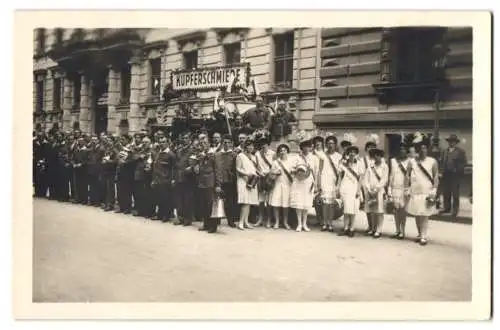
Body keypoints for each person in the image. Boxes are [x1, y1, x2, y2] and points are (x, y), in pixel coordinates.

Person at [406, 133, 439, 246]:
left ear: (427, 149)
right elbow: (407, 176)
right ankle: (419, 233)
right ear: (417, 149)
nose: (422, 150)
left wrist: (434, 190)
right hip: (415, 192)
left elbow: (435, 177)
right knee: (417, 214)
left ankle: (424, 236)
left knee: (424, 214)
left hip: (427, 192)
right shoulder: (412, 162)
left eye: (424, 148)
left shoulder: (432, 161)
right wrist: (407, 188)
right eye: (420, 148)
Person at [290, 133, 320, 232]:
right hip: (298, 181)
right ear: (301, 147)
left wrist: (316, 184)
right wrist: (297, 171)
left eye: (308, 146)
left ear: (310, 147)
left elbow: (316, 172)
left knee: (306, 203)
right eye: (304, 146)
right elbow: (291, 169)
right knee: (299, 203)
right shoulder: (297, 157)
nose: (306, 148)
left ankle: (304, 224)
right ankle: (299, 224)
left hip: (309, 182)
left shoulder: (315, 158)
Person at [191, 138, 221, 233]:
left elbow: (217, 170)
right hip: (202, 183)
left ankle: (213, 225)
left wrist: (218, 184)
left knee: (211, 205)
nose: (203, 145)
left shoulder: (213, 155)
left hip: (210, 183)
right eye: (201, 143)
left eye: (205, 143)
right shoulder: (201, 155)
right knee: (203, 205)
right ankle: (206, 224)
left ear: (209, 144)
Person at [317, 134, 342, 232]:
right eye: (328, 143)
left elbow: (340, 173)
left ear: (335, 145)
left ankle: (330, 224)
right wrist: (318, 183)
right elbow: (319, 170)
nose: (330, 145)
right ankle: (325, 223)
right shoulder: (323, 155)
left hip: (333, 181)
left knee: (331, 204)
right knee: (324, 203)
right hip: (324, 180)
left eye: (332, 143)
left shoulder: (339, 156)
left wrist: (338, 185)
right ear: (326, 145)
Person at [337, 144, 363, 237]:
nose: (352, 154)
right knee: (346, 209)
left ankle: (352, 229)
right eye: (350, 152)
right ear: (347, 153)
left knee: (354, 208)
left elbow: (361, 178)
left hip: (354, 187)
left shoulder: (359, 164)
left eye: (354, 152)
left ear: (356, 154)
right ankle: (345, 228)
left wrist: (358, 190)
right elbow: (340, 176)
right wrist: (338, 187)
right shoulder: (343, 163)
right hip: (345, 187)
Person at [439, 134, 467, 218]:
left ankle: (455, 210)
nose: (451, 143)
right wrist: (441, 172)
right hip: (446, 174)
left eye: (453, 142)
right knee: (446, 192)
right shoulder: (445, 151)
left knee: (455, 193)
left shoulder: (461, 152)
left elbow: (464, 163)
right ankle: (447, 208)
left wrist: (457, 169)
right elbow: (442, 162)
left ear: (456, 143)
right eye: (450, 141)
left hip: (455, 175)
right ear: (448, 142)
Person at [363, 148, 389, 238]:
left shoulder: (385, 166)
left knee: (379, 211)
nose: (376, 157)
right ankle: (373, 228)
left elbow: (384, 179)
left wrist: (376, 189)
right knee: (372, 210)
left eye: (378, 155)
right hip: (370, 191)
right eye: (374, 155)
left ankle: (379, 229)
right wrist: (369, 188)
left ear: (381, 156)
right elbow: (366, 178)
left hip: (379, 191)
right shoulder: (370, 166)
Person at [387, 140, 411, 239]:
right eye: (400, 149)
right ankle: (397, 231)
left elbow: (410, 176)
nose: (402, 151)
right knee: (395, 211)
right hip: (395, 188)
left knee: (402, 211)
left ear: (407, 151)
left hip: (404, 188)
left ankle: (403, 231)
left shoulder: (410, 161)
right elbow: (391, 175)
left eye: (404, 149)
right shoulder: (393, 161)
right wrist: (389, 187)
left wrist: (408, 189)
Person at [235, 138, 260, 230]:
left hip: (252, 180)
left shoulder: (253, 157)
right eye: (249, 145)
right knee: (245, 202)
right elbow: (238, 169)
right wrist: (246, 174)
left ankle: (246, 222)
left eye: (252, 145)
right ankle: (241, 222)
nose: (251, 147)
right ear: (245, 147)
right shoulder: (240, 156)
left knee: (249, 202)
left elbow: (254, 169)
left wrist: (258, 174)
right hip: (243, 180)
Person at [151, 136, 177, 222]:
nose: (161, 144)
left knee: (166, 198)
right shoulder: (158, 153)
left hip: (166, 179)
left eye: (163, 142)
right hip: (158, 178)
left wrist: (172, 179)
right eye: (160, 142)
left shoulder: (171, 154)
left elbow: (174, 168)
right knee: (159, 197)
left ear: (167, 143)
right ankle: (160, 214)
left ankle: (166, 215)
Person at [215, 134, 238, 227]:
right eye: (225, 142)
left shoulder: (234, 155)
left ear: (231, 144)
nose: (227, 144)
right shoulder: (217, 154)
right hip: (219, 180)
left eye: (229, 142)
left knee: (230, 201)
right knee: (218, 200)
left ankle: (230, 220)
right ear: (222, 143)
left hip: (230, 181)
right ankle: (217, 219)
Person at [268, 143, 293, 229]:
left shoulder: (291, 162)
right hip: (277, 184)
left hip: (287, 185)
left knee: (285, 205)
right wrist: (276, 173)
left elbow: (294, 173)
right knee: (276, 204)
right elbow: (271, 174)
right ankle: (277, 222)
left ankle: (285, 222)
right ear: (278, 152)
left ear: (287, 151)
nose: (282, 152)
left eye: (284, 150)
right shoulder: (275, 162)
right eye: (281, 151)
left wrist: (292, 172)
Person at [254, 134, 276, 227]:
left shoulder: (273, 153)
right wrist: (260, 173)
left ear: (268, 144)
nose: (264, 145)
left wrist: (270, 174)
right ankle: (260, 219)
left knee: (269, 200)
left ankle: (269, 220)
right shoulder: (257, 154)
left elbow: (275, 166)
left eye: (265, 143)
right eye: (262, 143)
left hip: (270, 178)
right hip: (261, 178)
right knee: (261, 200)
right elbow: (256, 166)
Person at [101, 135, 117, 211]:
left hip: (112, 170)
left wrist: (108, 161)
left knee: (110, 188)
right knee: (106, 187)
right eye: (107, 140)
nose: (108, 142)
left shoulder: (115, 150)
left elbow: (116, 161)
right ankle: (107, 203)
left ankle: (111, 204)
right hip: (106, 170)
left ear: (113, 142)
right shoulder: (107, 149)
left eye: (110, 140)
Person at [72, 137, 89, 205]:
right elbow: (73, 158)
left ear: (84, 142)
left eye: (81, 141)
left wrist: (81, 164)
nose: (80, 143)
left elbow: (87, 160)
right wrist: (74, 163)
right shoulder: (76, 150)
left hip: (83, 170)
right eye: (79, 141)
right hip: (77, 169)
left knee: (83, 185)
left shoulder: (86, 150)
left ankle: (84, 199)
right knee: (77, 184)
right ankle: (78, 198)